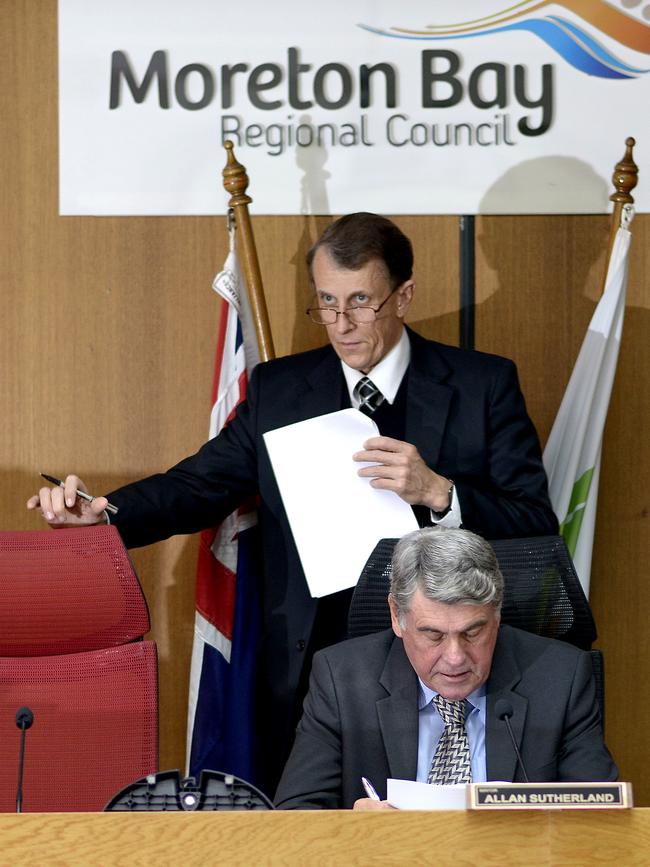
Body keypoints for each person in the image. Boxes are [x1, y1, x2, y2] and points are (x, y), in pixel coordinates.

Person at [27, 212, 557, 794]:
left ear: (403, 295)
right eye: (326, 302)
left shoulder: (483, 385)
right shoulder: (280, 389)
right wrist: (104, 515)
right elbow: (199, 485)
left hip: (444, 662)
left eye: (361, 302)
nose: (341, 324)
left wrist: (440, 492)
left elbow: (534, 521)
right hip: (313, 667)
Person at [274, 526, 617, 810]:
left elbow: (599, 816)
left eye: (473, 632)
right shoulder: (342, 678)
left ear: (496, 614)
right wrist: (355, 831)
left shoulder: (561, 676)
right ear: (397, 616)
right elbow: (296, 815)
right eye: (433, 634)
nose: (455, 657)